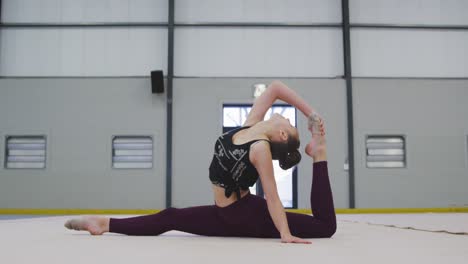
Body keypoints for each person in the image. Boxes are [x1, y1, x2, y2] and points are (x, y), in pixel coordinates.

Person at [65, 80, 336, 244]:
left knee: (325, 227)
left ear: (281, 134)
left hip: (246, 215)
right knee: (171, 216)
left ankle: (319, 153)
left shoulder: (260, 149)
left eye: (289, 123)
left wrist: (285, 234)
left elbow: (274, 198)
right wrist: (311, 113)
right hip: (226, 214)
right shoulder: (250, 125)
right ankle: (104, 224)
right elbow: (276, 88)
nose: (286, 118)